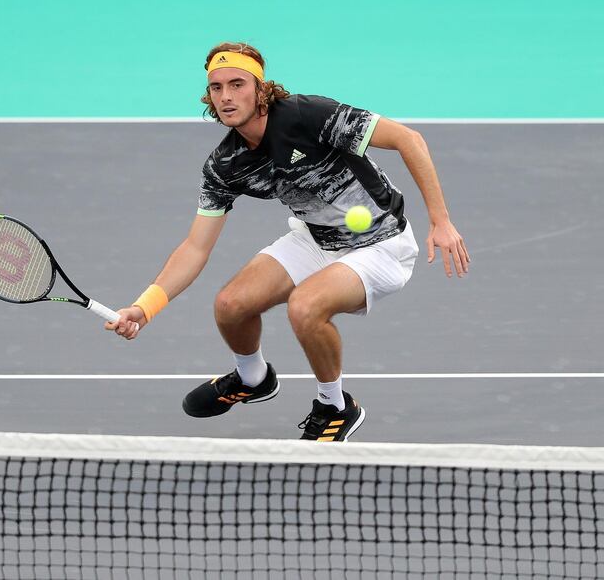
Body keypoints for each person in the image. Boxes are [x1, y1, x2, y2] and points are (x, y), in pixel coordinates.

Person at [105, 42, 469, 441]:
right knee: (231, 305)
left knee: (306, 307)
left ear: (261, 89)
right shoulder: (225, 165)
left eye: (237, 84)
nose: (226, 96)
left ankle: (335, 406)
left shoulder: (308, 115)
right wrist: (145, 307)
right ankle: (253, 378)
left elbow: (408, 139)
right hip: (315, 239)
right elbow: (195, 248)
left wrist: (441, 220)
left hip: (382, 245)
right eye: (216, 87)